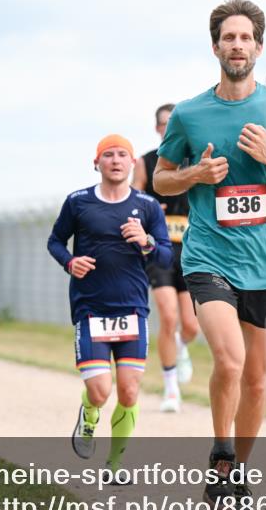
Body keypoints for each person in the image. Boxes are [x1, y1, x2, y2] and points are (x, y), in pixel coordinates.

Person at [153, 0, 266, 506]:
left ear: (259, 47)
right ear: (215, 47)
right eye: (229, 37)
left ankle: (235, 476)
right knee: (229, 360)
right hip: (208, 256)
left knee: (255, 380)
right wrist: (195, 175)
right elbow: (161, 180)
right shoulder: (188, 114)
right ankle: (221, 451)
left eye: (246, 38)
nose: (237, 45)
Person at [47, 134, 172, 477]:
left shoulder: (146, 206)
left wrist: (145, 240)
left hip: (133, 310)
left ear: (132, 164)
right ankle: (89, 415)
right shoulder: (78, 202)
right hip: (91, 310)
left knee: (129, 391)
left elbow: (165, 255)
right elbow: (55, 241)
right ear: (97, 163)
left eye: (122, 155)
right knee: (101, 391)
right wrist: (70, 262)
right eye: (108, 155)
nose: (116, 160)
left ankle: (115, 463)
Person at [132, 103, 199, 413]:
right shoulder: (145, 162)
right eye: (164, 123)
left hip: (191, 250)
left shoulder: (195, 162)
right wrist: (147, 210)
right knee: (168, 317)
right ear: (158, 128)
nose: (169, 127)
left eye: (175, 122)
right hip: (158, 249)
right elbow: (132, 201)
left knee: (190, 326)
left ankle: (181, 349)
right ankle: (171, 389)